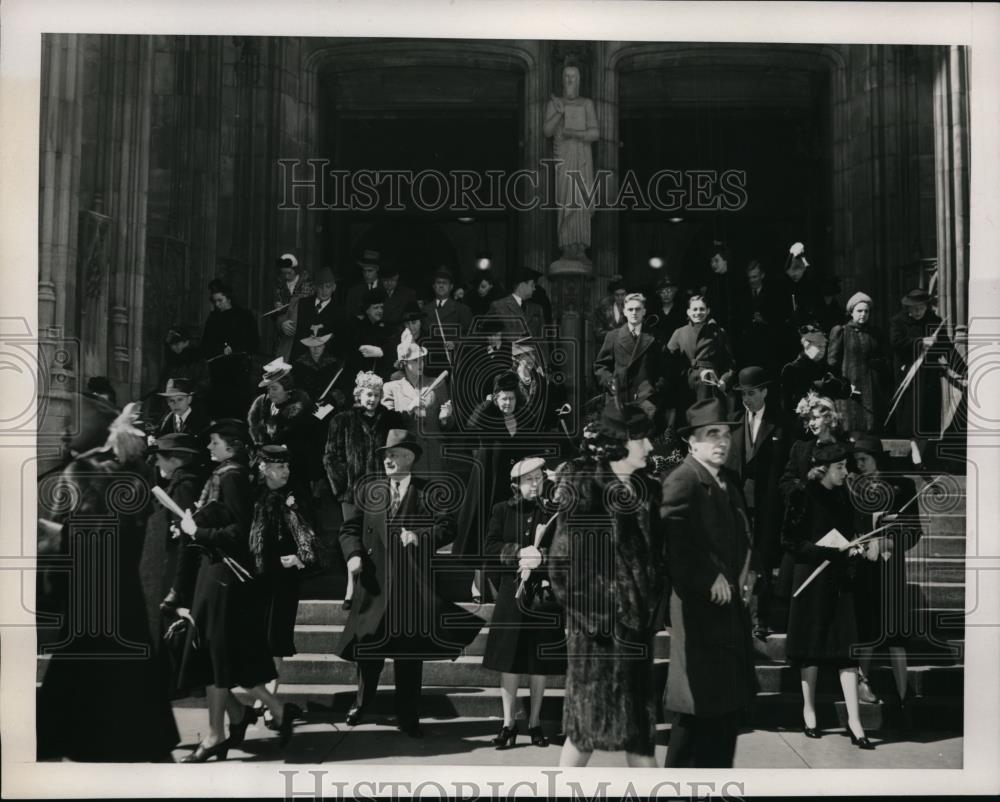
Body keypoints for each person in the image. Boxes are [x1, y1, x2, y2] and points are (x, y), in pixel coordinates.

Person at [37, 404, 180, 762]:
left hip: (95, 586)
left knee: (84, 661)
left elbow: (69, 533)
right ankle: (136, 737)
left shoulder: (88, 473)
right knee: (122, 662)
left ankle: (74, 736)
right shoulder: (136, 478)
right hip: (118, 587)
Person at [338, 429, 484, 737]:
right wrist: (353, 555)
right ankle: (362, 703)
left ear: (410, 458)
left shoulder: (428, 492)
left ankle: (407, 714)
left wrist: (420, 536)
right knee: (368, 651)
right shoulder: (370, 491)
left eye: (394, 455)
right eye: (386, 456)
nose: (388, 460)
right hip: (374, 586)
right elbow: (349, 529)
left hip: (410, 588)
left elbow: (448, 527)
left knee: (408, 656)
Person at [548, 402, 665, 768]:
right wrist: (600, 618)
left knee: (640, 738)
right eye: (642, 438)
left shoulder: (648, 489)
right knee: (584, 735)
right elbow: (562, 565)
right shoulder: (586, 486)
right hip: (597, 638)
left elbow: (654, 559)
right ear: (620, 442)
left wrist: (645, 609)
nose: (649, 447)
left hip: (636, 634)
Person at [175, 419, 299, 760]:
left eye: (214, 442)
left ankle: (219, 733)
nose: (210, 447)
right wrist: (192, 525)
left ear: (230, 445)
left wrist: (195, 531)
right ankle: (258, 713)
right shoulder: (228, 474)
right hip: (213, 574)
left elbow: (239, 532)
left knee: (218, 657)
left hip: (224, 577)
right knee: (217, 658)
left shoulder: (230, 476)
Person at [660, 398, 757, 768]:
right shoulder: (683, 479)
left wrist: (750, 575)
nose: (721, 441)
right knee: (695, 711)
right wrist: (706, 576)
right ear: (692, 442)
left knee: (723, 714)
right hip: (699, 613)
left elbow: (744, 538)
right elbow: (669, 541)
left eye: (725, 434)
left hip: (728, 614)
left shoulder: (726, 482)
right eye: (710, 434)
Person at [781, 442, 873, 749]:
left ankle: (855, 721)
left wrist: (855, 548)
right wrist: (828, 552)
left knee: (846, 649)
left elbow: (851, 534)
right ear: (823, 470)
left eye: (846, 466)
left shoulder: (845, 497)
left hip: (840, 581)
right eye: (840, 467)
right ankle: (809, 711)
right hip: (810, 578)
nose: (846, 472)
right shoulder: (802, 495)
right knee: (811, 648)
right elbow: (791, 542)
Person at [482, 457, 566, 748]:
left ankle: (535, 723)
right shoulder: (502, 510)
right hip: (511, 597)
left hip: (542, 599)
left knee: (538, 664)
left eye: (538, 478)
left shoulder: (553, 511)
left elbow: (563, 553)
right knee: (510, 662)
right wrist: (517, 553)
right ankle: (508, 724)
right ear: (516, 484)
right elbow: (490, 546)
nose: (535, 484)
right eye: (528, 479)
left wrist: (541, 559)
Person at [849, 435, 924, 722]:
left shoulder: (903, 487)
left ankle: (904, 694)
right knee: (867, 629)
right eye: (856, 462)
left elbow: (914, 531)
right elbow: (851, 527)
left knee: (895, 633)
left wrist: (888, 544)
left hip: (891, 568)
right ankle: (862, 682)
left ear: (877, 458)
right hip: (864, 569)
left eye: (863, 460)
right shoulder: (854, 488)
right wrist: (858, 544)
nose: (860, 465)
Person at [249, 444, 321, 722]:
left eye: (287, 466)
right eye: (280, 467)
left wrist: (301, 557)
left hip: (283, 582)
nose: (286, 471)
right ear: (264, 468)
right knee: (258, 641)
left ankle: (269, 702)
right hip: (256, 579)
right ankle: (264, 700)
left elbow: (309, 534)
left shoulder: (295, 495)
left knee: (276, 641)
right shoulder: (252, 495)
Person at [454, 371, 539, 602]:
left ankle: (505, 583)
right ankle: (478, 583)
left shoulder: (522, 417)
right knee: (484, 532)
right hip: (487, 485)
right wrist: (487, 404)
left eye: (511, 398)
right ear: (495, 397)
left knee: (505, 533)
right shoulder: (487, 415)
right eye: (503, 398)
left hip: (510, 488)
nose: (508, 403)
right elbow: (469, 431)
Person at [725, 367, 788, 641]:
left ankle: (760, 620)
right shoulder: (733, 422)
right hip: (738, 506)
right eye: (742, 395)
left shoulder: (782, 425)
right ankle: (736, 617)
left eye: (751, 393)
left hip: (767, 508)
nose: (746, 399)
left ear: (764, 391)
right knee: (738, 562)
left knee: (761, 564)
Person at [142, 433, 205, 649]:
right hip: (177, 569)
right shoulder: (184, 482)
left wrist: (176, 589)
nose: (156, 462)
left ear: (175, 460)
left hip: (178, 573)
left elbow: (185, 539)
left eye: (159, 457)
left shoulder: (183, 486)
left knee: (174, 637)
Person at [888, 288, 964, 464]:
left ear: (926, 306)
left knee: (927, 417)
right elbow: (896, 343)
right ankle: (915, 452)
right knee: (913, 416)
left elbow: (947, 348)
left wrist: (964, 371)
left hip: (929, 376)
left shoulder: (935, 321)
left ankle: (918, 459)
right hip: (909, 374)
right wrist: (921, 341)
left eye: (919, 309)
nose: (915, 312)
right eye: (912, 309)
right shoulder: (898, 321)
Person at [324, 372, 399, 521]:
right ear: (359, 394)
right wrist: (343, 489)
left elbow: (397, 452)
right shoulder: (342, 420)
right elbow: (331, 457)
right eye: (369, 394)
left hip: (382, 491)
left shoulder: (390, 420)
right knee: (353, 535)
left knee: (379, 537)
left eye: (377, 395)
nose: (373, 399)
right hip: (352, 494)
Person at [544, 64, 599, 262]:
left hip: (582, 158)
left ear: (579, 81)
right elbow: (547, 131)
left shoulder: (586, 103)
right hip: (563, 159)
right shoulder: (555, 103)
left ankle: (580, 248)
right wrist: (559, 112)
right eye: (566, 77)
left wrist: (575, 133)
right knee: (565, 200)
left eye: (573, 77)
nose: (569, 81)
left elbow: (595, 133)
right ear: (562, 80)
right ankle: (567, 247)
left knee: (581, 200)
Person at [381, 336, 455, 479]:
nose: (421, 363)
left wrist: (445, 419)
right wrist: (409, 408)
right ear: (403, 363)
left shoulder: (436, 384)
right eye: (415, 360)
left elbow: (449, 426)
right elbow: (387, 425)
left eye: (422, 359)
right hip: (407, 457)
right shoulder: (391, 388)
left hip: (434, 456)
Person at [594, 292, 667, 420]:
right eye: (630, 309)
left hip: (646, 400)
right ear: (625, 312)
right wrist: (610, 381)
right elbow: (600, 366)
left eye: (638, 309)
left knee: (643, 437)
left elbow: (665, 369)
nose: (634, 313)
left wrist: (654, 392)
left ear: (644, 311)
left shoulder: (656, 337)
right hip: (618, 398)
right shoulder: (613, 336)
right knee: (621, 436)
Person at [828, 292, 889, 433]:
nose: (863, 314)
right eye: (859, 311)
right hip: (850, 386)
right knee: (851, 426)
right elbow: (832, 362)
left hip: (871, 387)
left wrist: (878, 364)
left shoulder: (874, 333)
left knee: (869, 428)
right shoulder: (841, 331)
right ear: (851, 312)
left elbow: (884, 356)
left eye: (866, 311)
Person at [200, 279, 260, 419]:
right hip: (218, 372)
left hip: (239, 371)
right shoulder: (213, 318)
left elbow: (254, 342)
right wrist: (221, 349)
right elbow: (205, 345)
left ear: (229, 298)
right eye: (215, 301)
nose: (217, 304)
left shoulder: (245, 316)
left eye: (220, 300)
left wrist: (235, 348)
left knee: (238, 409)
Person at [247, 358, 315, 480]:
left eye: (274, 388)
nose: (270, 393)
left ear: (287, 388)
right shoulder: (262, 405)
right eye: (268, 389)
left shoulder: (300, 413)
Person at [665, 294, 735, 414]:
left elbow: (729, 363)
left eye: (702, 309)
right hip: (685, 386)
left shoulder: (718, 332)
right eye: (694, 309)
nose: (698, 312)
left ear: (708, 311)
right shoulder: (679, 333)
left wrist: (724, 381)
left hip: (709, 386)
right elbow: (668, 361)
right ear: (688, 312)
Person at [780, 323, 851, 426]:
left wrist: (836, 384)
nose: (823, 350)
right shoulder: (792, 369)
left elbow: (844, 392)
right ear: (806, 344)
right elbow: (786, 406)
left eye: (824, 346)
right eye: (819, 346)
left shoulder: (826, 368)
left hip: (826, 426)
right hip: (803, 425)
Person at [736, 260, 784, 373]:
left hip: (768, 344)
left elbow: (779, 318)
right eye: (749, 278)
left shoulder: (773, 294)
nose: (751, 280)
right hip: (749, 345)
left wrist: (765, 320)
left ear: (762, 275)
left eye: (755, 277)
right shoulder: (743, 294)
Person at [291, 266, 344, 362]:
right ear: (315, 287)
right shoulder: (302, 303)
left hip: (325, 360)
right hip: (300, 357)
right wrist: (283, 323)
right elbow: (287, 318)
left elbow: (340, 338)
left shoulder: (340, 310)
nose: (324, 291)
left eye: (328, 287)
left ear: (334, 287)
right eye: (320, 287)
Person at [425, 267, 473, 367]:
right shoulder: (425, 310)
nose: (441, 285)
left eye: (445, 283)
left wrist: (455, 343)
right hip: (431, 361)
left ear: (451, 287)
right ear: (433, 286)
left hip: (454, 360)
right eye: (438, 282)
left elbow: (470, 336)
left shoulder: (462, 309)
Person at [272, 253, 313, 361]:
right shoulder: (279, 286)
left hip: (303, 335)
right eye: (283, 273)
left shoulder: (308, 284)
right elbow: (275, 315)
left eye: (289, 273)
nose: (286, 276)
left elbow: (313, 310)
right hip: (284, 337)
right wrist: (280, 321)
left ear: (296, 269)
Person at [350, 287, 397, 379]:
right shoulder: (357, 328)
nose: (380, 311)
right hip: (360, 376)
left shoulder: (386, 328)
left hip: (382, 375)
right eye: (376, 308)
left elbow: (392, 348)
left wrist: (382, 351)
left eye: (381, 307)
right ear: (367, 310)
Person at [489, 266, 545, 339]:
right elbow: (490, 338)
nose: (534, 289)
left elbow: (543, 341)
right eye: (532, 285)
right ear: (522, 285)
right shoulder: (499, 306)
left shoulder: (537, 308)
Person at [700, 242, 742, 336]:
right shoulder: (712, 282)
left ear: (725, 260)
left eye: (716, 260)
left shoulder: (736, 280)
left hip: (735, 329)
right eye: (711, 261)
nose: (713, 264)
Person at [647, 274, 687, 343]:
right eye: (662, 292)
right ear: (658, 294)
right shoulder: (653, 312)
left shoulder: (683, 311)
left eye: (669, 291)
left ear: (675, 292)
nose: (666, 294)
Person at [344, 250, 382, 318]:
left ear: (377, 269)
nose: (366, 275)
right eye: (364, 271)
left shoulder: (386, 289)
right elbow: (348, 316)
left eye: (370, 271)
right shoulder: (353, 292)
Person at [592, 279, 628, 350]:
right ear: (612, 295)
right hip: (607, 348)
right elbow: (598, 332)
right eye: (617, 295)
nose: (620, 298)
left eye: (623, 294)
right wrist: (615, 334)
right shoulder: (603, 308)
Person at [380, 263, 417, 327]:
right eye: (386, 280)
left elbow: (412, 315)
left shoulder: (408, 294)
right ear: (381, 280)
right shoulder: (375, 293)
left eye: (392, 280)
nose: (389, 283)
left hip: (400, 330)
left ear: (397, 278)